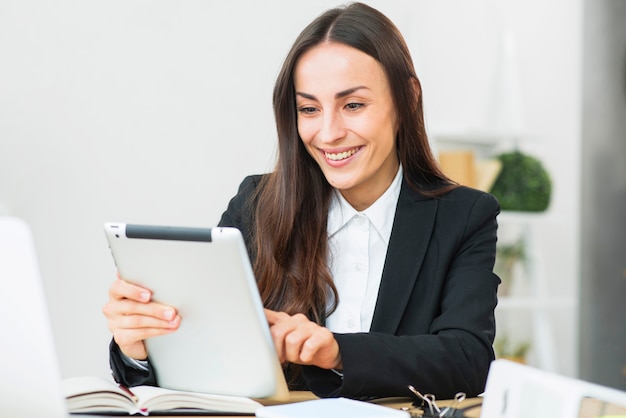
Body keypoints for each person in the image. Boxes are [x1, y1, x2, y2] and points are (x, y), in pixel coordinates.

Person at [103, 2, 500, 400]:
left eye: (353, 105)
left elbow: (467, 359)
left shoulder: (463, 216)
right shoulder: (257, 204)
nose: (328, 133)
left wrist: (337, 351)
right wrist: (139, 346)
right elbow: (206, 347)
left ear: (407, 97)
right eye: (309, 109)